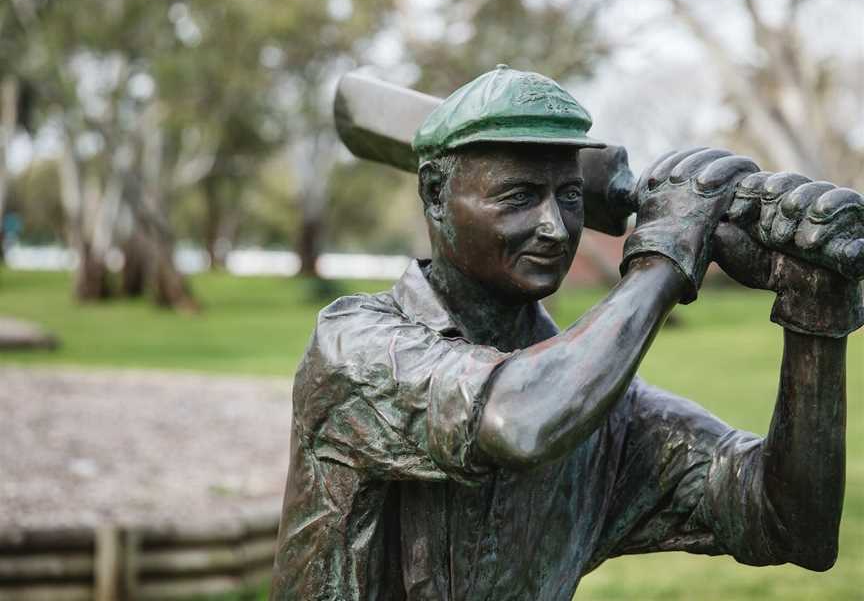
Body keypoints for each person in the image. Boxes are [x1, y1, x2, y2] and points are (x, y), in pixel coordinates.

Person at [270, 65, 863, 601]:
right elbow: (517, 421)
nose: (554, 227)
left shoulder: (603, 407)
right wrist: (664, 256)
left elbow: (792, 525)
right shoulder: (352, 345)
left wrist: (815, 311)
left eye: (569, 195)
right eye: (519, 197)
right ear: (434, 193)